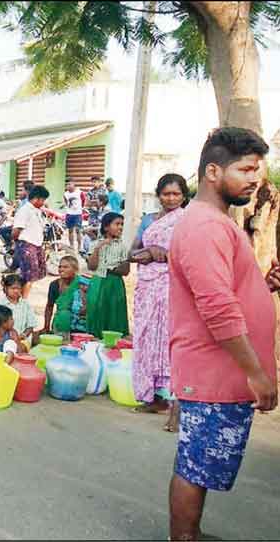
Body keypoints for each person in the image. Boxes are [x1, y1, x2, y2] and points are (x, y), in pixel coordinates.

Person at [167, 127, 278, 542]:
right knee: (195, 467)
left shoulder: (216, 223)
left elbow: (223, 290)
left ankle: (189, 532)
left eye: (258, 170)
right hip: (216, 373)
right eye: (246, 169)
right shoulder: (205, 227)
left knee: (201, 463)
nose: (254, 178)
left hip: (220, 372)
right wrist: (256, 373)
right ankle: (184, 536)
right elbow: (216, 307)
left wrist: (260, 287)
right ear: (213, 171)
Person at [129, 173, 189, 425]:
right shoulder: (149, 220)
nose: (171, 198)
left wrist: (165, 254)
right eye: (166, 194)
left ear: (184, 196)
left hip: (173, 288)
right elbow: (131, 253)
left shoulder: (187, 221)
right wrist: (149, 252)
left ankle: (177, 405)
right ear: (158, 195)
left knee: (169, 340)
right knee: (144, 337)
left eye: (176, 194)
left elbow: (192, 255)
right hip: (147, 288)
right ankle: (155, 398)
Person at [85, 212, 130, 338]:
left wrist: (109, 269)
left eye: (122, 224)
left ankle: (113, 340)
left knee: (114, 311)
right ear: (106, 227)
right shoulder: (95, 244)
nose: (120, 227)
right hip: (98, 281)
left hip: (115, 283)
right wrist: (98, 248)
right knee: (96, 309)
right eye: (117, 224)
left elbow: (125, 270)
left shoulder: (122, 247)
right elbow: (92, 266)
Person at [11, 185, 49, 299]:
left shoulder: (37, 210)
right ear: (36, 198)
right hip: (27, 245)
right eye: (42, 200)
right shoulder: (25, 210)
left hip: (36, 244)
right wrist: (20, 244)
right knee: (28, 277)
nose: (43, 202)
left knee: (33, 276)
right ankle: (23, 300)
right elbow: (16, 230)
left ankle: (22, 298)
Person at [42, 255, 85, 335]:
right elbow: (49, 306)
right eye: (60, 267)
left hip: (79, 326)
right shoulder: (54, 285)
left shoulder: (82, 284)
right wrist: (46, 327)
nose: (61, 269)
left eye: (65, 267)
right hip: (60, 323)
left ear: (75, 269)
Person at [0, 274, 37, 349]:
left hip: (23, 340)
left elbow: (31, 325)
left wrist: (23, 335)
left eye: (18, 288)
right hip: (5, 339)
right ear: (5, 288)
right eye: (13, 288)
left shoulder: (25, 304)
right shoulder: (0, 304)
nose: (16, 291)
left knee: (20, 349)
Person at [63, 180, 83, 253]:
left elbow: (83, 201)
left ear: (74, 184)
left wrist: (80, 209)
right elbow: (66, 202)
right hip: (69, 214)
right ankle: (71, 245)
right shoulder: (65, 194)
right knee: (70, 230)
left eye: (70, 184)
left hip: (78, 214)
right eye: (67, 184)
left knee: (78, 230)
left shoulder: (79, 192)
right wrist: (68, 209)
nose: (68, 186)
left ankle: (80, 246)